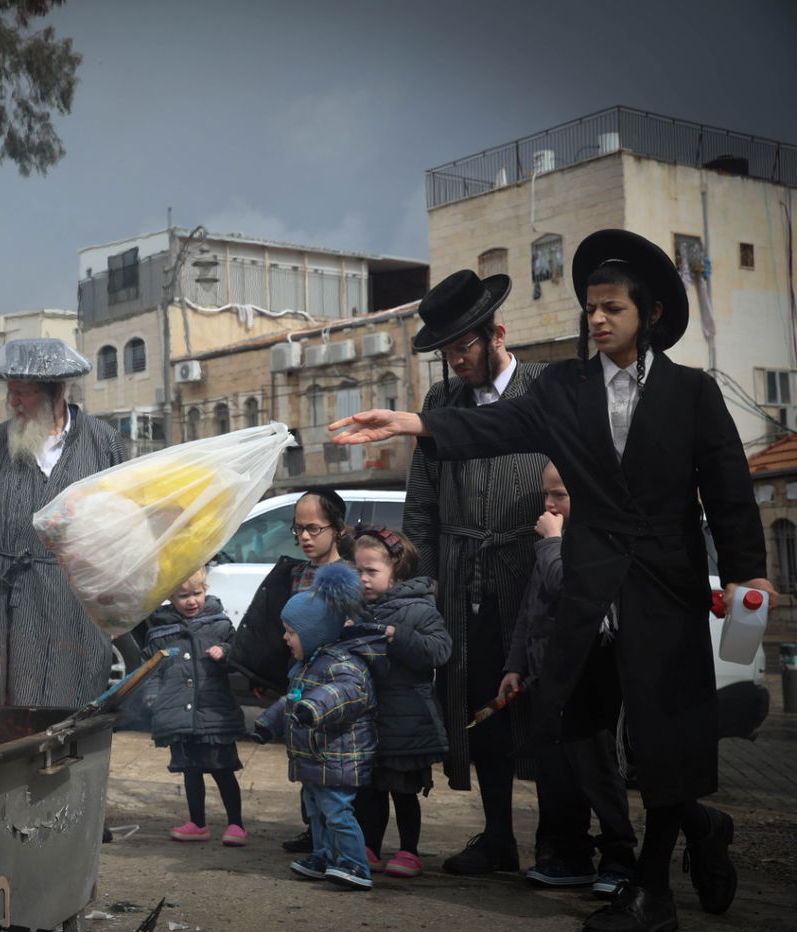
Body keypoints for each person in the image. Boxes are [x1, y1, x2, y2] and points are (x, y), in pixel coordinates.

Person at [330, 228, 772, 931]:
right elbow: (493, 428)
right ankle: (698, 824)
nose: (596, 319)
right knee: (569, 723)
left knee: (660, 738)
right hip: (585, 586)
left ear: (649, 315)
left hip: (665, 586)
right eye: (590, 307)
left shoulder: (693, 393)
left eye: (612, 309)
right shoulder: (565, 388)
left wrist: (750, 573)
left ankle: (651, 891)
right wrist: (411, 421)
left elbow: (728, 494)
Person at [400, 269, 547, 875]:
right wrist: (424, 578)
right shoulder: (441, 403)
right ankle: (498, 838)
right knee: (479, 707)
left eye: (464, 346)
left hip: (533, 571)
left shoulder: (545, 390)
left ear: (497, 335)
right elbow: (423, 499)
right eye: (446, 351)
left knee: (545, 708)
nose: (456, 360)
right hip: (463, 580)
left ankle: (568, 839)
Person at [0, 338, 126, 708]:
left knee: (61, 712)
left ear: (56, 392)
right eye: (10, 392)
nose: (12, 401)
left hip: (70, 608)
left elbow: (122, 529)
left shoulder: (102, 443)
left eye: (23, 393)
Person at [502, 461, 636, 898]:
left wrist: (552, 543)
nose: (549, 503)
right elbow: (531, 607)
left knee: (596, 767)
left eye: (560, 494)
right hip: (547, 675)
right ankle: (571, 855)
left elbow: (568, 587)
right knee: (556, 771)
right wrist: (515, 665)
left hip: (589, 673)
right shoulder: (551, 541)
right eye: (547, 494)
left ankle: (619, 857)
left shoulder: (599, 540)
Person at [226, 485, 353, 853]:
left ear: (337, 529)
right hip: (300, 683)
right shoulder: (296, 574)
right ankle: (313, 831)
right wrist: (265, 677)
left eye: (314, 528)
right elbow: (279, 633)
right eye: (298, 529)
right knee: (304, 758)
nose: (305, 537)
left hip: (336, 687)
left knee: (338, 765)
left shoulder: (349, 575)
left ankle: (346, 844)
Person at [254, 562, 384, 890]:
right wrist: (270, 722)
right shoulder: (307, 664)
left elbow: (344, 693)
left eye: (291, 631)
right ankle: (324, 856)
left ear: (314, 631)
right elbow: (292, 699)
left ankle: (355, 865)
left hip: (337, 758)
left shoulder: (344, 663)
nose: (285, 638)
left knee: (338, 813)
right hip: (315, 759)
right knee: (317, 813)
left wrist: (314, 707)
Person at [351, 526, 451, 880]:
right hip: (368, 722)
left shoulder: (419, 609)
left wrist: (396, 635)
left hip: (408, 720)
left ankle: (409, 850)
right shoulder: (359, 611)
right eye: (358, 571)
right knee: (370, 790)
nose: (363, 579)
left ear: (397, 570)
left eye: (371, 571)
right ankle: (370, 847)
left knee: (403, 791)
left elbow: (439, 651)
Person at [138, 568, 247, 846]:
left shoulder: (220, 624)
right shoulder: (161, 631)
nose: (191, 601)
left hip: (214, 712)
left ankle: (236, 823)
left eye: (196, 593)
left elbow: (240, 655)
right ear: (170, 597)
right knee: (191, 771)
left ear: (206, 590)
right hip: (179, 714)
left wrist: (225, 653)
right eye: (182, 595)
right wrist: (151, 696)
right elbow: (150, 669)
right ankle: (198, 823)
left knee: (223, 769)